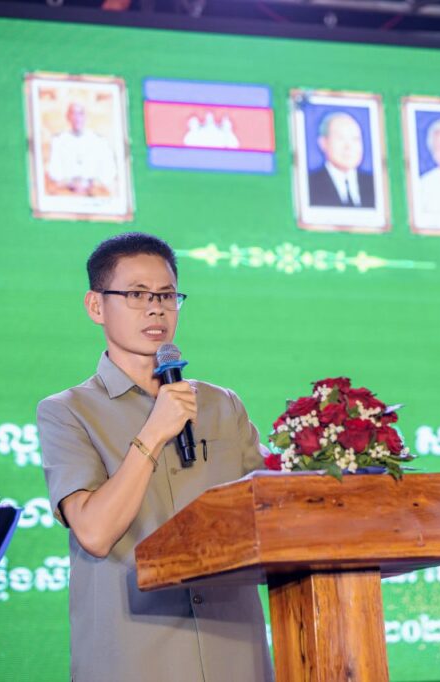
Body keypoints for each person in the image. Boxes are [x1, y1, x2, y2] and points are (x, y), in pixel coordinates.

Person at [37, 233, 273, 682]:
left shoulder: (221, 404)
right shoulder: (67, 411)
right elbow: (95, 533)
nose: (155, 309)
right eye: (137, 294)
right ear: (96, 306)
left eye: (166, 295)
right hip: (136, 657)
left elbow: (269, 509)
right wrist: (154, 432)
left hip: (234, 653)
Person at [46, 102, 118, 196]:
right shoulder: (58, 141)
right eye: (73, 113)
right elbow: (54, 170)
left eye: (80, 113)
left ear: (85, 117)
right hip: (67, 193)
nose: (77, 118)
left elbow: (109, 171)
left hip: (93, 192)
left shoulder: (99, 141)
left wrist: (91, 183)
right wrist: (71, 183)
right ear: (68, 117)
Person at [307, 111, 376, 208]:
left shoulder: (375, 184)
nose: (348, 147)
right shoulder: (309, 184)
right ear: (323, 143)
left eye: (355, 139)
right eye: (340, 138)